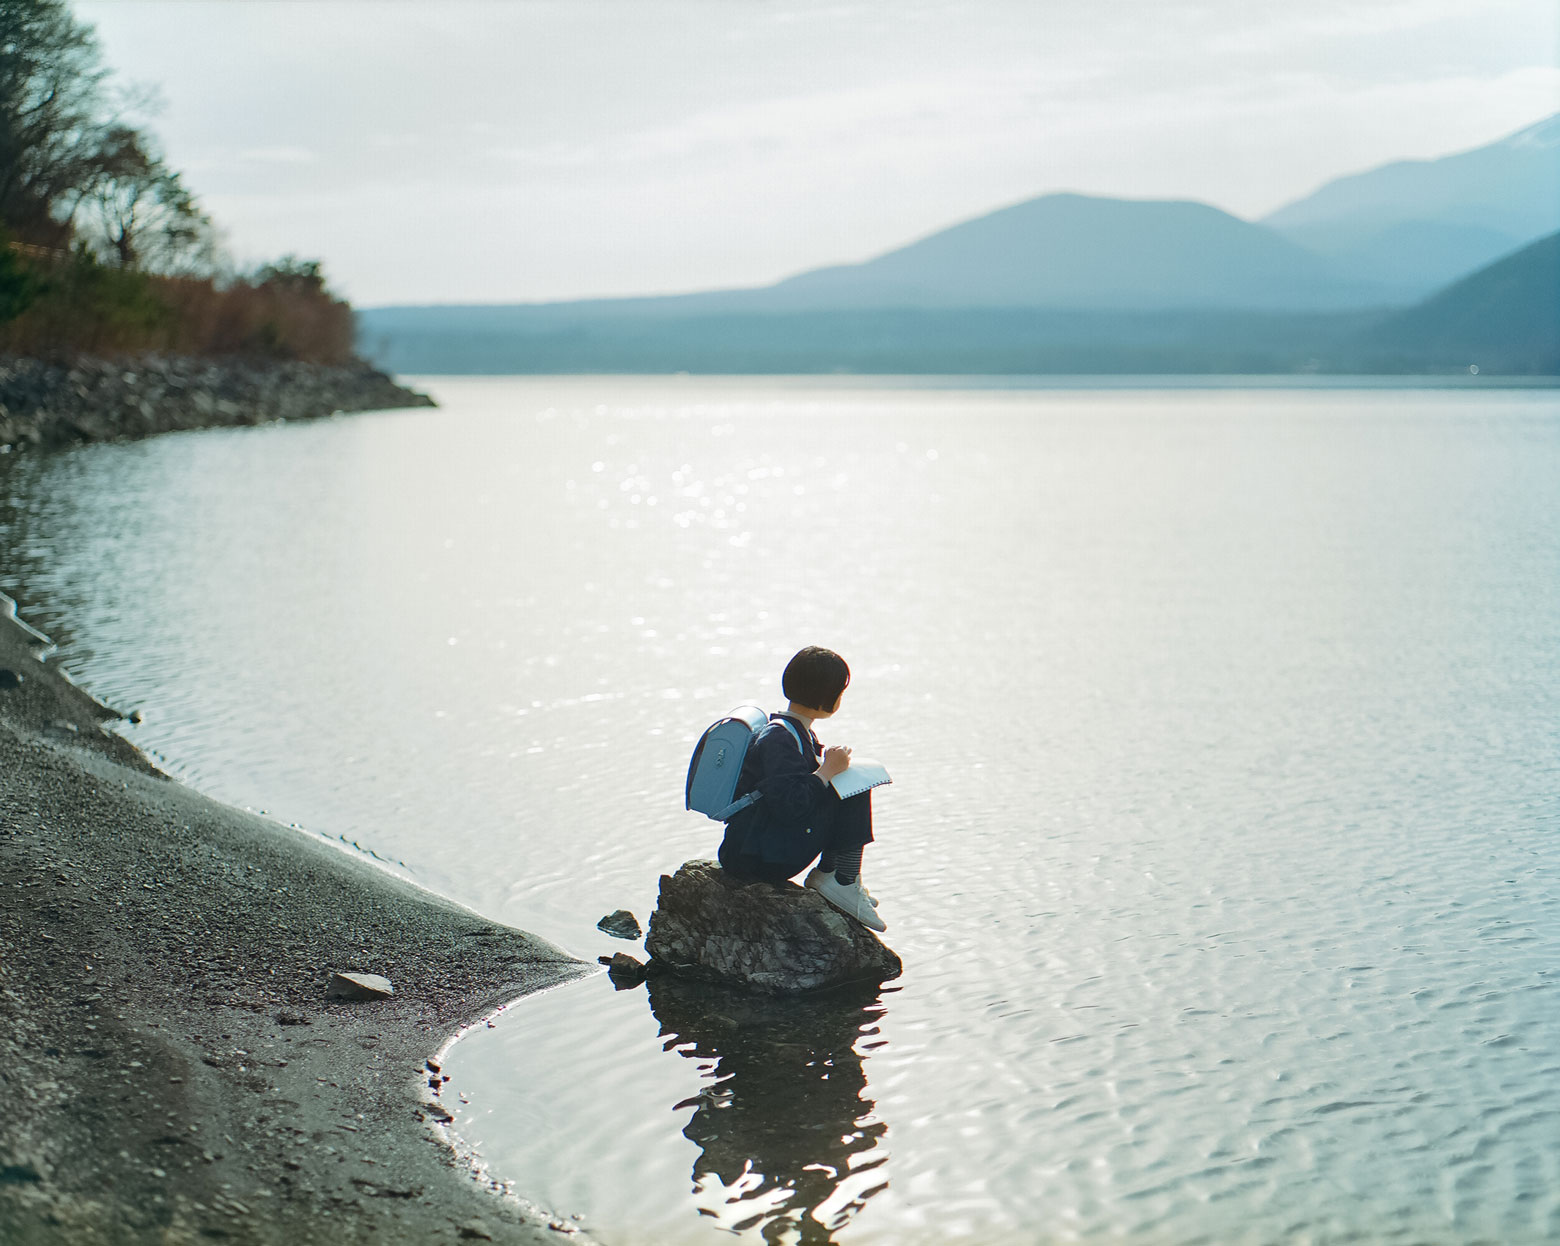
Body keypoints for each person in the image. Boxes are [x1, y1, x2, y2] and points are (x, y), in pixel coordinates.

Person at [717, 645, 885, 932]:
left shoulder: (794, 731)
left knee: (849, 779)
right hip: (757, 859)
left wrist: (828, 766)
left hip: (759, 847)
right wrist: (828, 770)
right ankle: (842, 880)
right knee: (855, 786)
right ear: (826, 697)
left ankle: (833, 874)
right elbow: (790, 805)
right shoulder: (779, 737)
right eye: (840, 692)